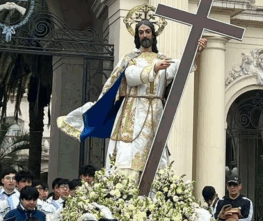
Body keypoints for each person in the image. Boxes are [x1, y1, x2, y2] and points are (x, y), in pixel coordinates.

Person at [57, 18, 206, 180]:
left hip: (156, 113)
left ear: (153, 35)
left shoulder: (163, 59)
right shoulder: (130, 59)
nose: (144, 35)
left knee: (156, 157)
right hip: (133, 111)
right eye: (141, 32)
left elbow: (181, 66)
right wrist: (154, 69)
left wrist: (196, 52)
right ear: (137, 36)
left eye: (147, 32)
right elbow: (131, 76)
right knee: (129, 155)